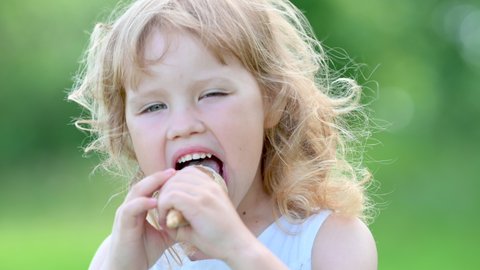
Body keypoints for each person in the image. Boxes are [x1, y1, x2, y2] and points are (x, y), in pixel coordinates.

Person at [69, 0, 377, 269]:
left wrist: (237, 248)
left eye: (212, 93)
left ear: (271, 101)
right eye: (153, 107)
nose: (182, 126)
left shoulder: (331, 240)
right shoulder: (122, 253)